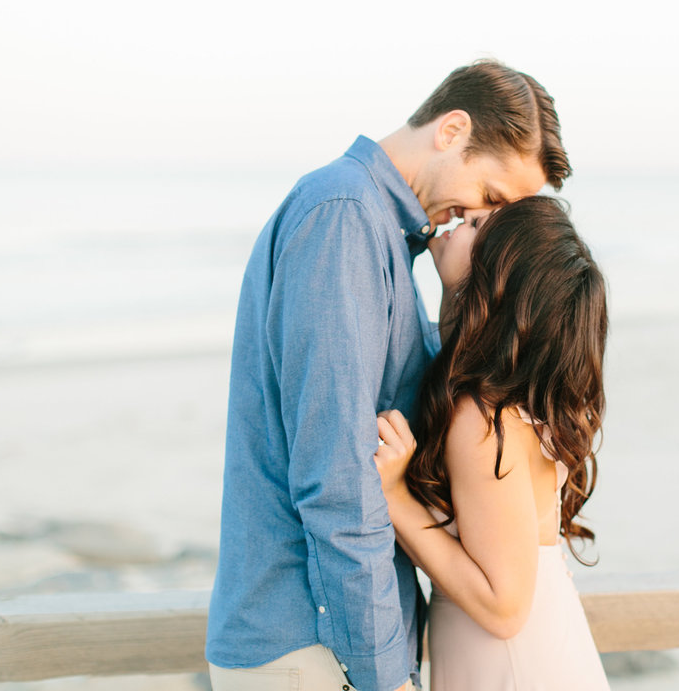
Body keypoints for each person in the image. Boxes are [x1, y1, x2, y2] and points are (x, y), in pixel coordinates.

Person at [205, 60, 570, 691]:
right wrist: (382, 675)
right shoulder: (345, 217)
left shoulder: (384, 236)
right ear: (451, 130)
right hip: (314, 650)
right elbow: (337, 477)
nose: (482, 221)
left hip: (331, 650)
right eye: (490, 197)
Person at [374, 195, 611, 691]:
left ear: (493, 280)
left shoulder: (483, 418)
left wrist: (394, 497)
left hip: (515, 663)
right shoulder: (506, 403)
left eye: (476, 223)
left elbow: (503, 608)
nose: (460, 216)